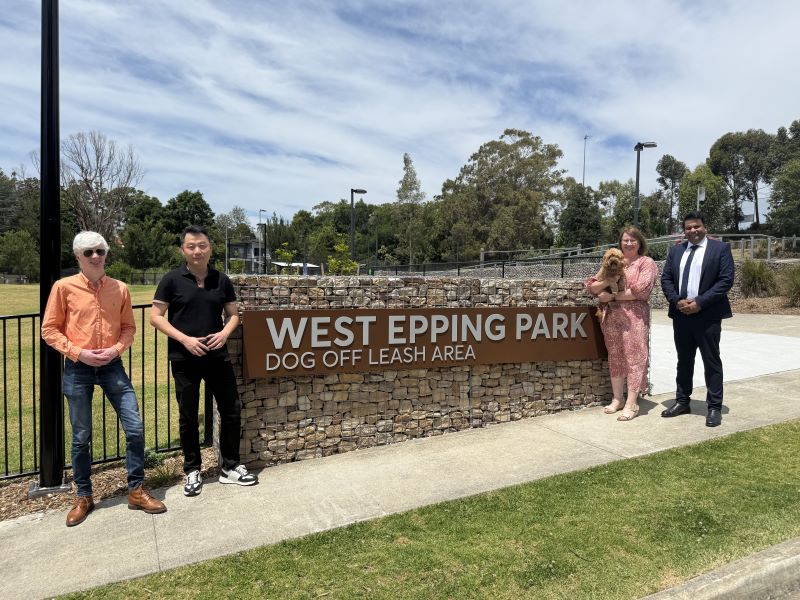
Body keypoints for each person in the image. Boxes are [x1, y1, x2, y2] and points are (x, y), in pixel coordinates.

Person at [41, 231, 166, 527]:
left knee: (134, 427)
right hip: (78, 368)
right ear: (78, 257)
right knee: (81, 436)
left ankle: (135, 490)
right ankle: (84, 496)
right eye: (89, 253)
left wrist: (114, 349)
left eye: (100, 251)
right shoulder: (63, 287)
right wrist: (79, 353)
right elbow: (50, 330)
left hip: (112, 365)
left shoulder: (119, 288)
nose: (96, 256)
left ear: (106, 253)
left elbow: (128, 328)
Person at [150, 225, 257, 497]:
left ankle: (230, 467)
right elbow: (156, 317)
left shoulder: (222, 280)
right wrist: (185, 339)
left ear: (210, 248)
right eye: (191, 246)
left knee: (231, 409)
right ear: (183, 250)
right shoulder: (171, 280)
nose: (197, 251)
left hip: (216, 356)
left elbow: (233, 314)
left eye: (202, 246)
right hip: (184, 358)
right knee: (188, 415)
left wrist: (224, 333)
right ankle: (192, 470)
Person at [660, 212, 734, 427]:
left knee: (711, 361)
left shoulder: (720, 249)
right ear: (684, 231)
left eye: (696, 227)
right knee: (684, 360)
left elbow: (725, 280)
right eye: (688, 228)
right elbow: (666, 279)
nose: (692, 231)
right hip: (681, 315)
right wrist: (677, 301)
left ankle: (714, 408)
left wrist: (700, 302)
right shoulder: (676, 251)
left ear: (704, 227)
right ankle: (682, 401)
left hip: (708, 315)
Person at [587, 226, 658, 421]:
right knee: (616, 357)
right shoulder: (612, 262)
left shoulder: (646, 263)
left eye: (632, 240)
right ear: (620, 242)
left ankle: (632, 402)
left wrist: (611, 297)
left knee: (635, 358)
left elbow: (641, 291)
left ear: (640, 243)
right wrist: (608, 281)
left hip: (634, 318)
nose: (628, 243)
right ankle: (617, 398)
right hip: (611, 319)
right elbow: (592, 287)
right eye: (625, 240)